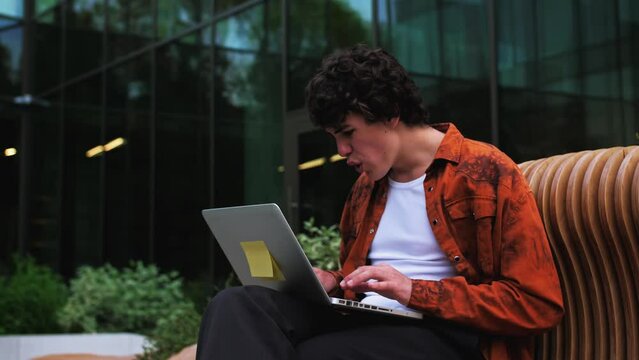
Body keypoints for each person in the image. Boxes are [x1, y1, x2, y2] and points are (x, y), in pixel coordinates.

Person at [195, 44, 564, 360]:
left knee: (314, 354)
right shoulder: (365, 189)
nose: (341, 151)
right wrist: (333, 283)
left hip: (450, 335)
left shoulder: (485, 171)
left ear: (389, 113)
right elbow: (364, 282)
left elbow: (535, 303)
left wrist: (412, 289)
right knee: (235, 305)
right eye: (334, 138)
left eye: (348, 134)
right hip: (370, 321)